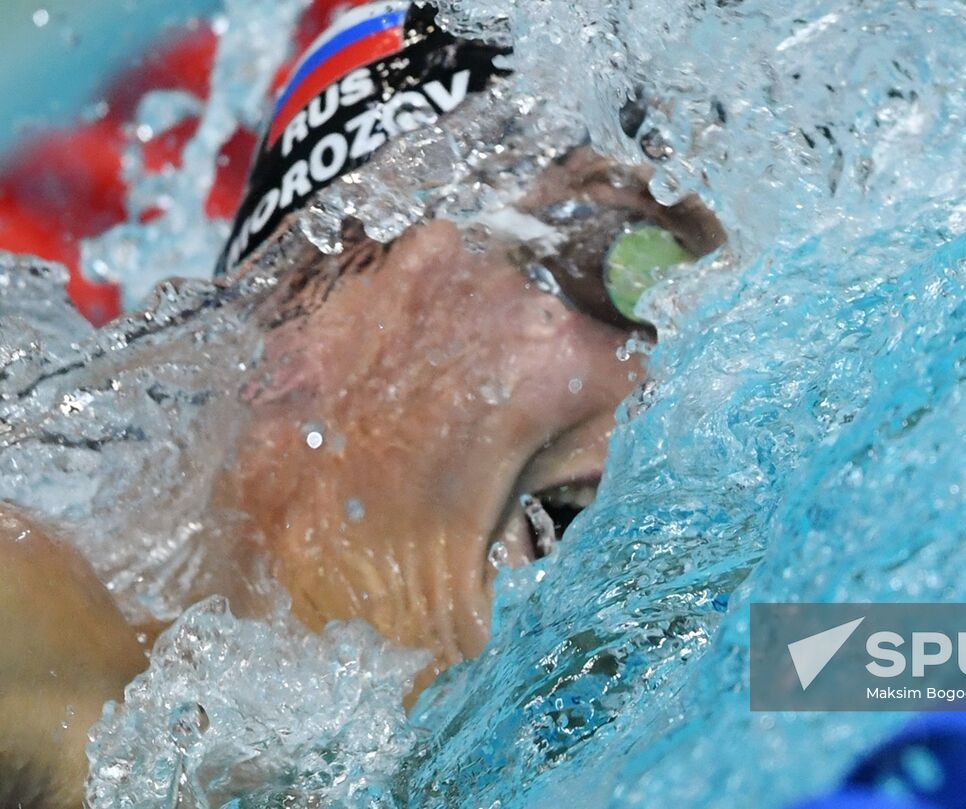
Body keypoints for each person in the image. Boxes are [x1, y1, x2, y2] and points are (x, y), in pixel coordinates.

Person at [0, 1, 723, 804]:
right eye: (624, 259)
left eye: (729, 308)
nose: (686, 379)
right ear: (302, 312)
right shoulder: (53, 668)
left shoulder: (695, 647)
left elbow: (877, 664)